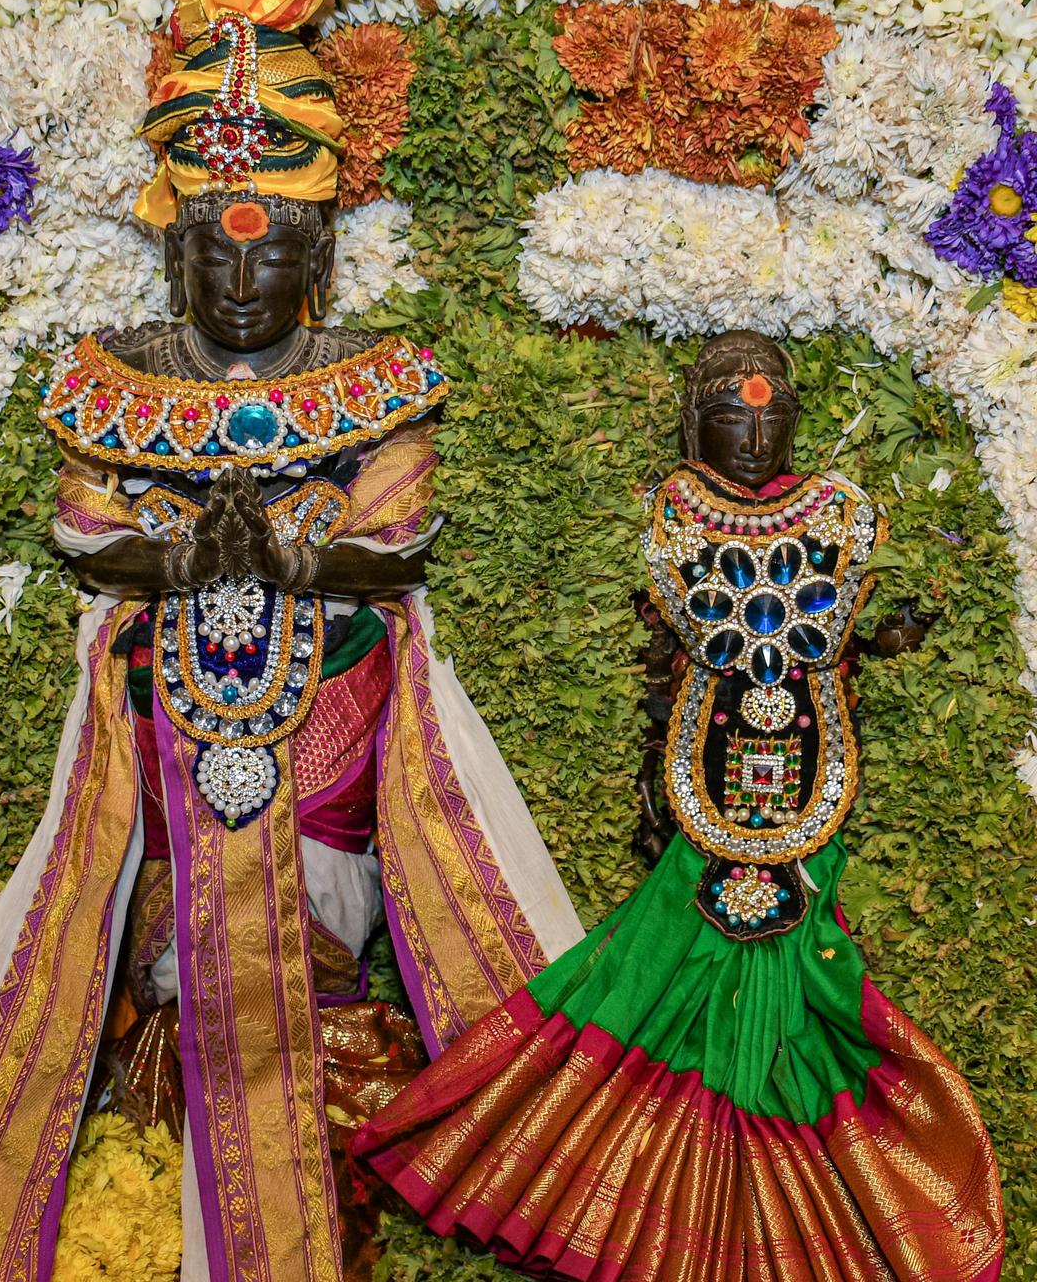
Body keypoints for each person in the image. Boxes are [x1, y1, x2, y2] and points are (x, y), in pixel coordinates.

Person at [0, 0, 581, 1282]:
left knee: (319, 942)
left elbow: (398, 542)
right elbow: (85, 531)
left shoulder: (377, 367)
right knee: (152, 936)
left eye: (276, 248)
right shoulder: (114, 366)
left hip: (337, 707)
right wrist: (181, 561)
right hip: (157, 711)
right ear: (175, 245)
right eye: (219, 245)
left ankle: (321, 1124)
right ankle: (175, 1129)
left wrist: (289, 558)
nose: (246, 270)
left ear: (320, 258)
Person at [352, 330, 1004, 1282]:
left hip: (805, 785)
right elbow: (696, 624)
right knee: (660, 960)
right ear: (695, 428)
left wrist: (903, 616)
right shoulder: (678, 516)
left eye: (769, 415)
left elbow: (850, 622)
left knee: (790, 966)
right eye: (730, 419)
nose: (753, 435)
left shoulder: (842, 514)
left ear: (795, 423)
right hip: (705, 785)